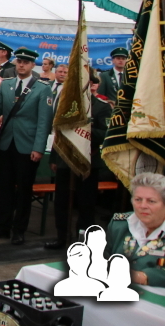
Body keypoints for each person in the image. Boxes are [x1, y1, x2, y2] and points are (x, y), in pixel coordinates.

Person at [0, 47, 53, 245]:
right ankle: (2, 225)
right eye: (19, 61)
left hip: (27, 145)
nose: (21, 65)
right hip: (6, 143)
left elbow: (44, 122)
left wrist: (38, 148)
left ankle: (19, 229)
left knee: (23, 190)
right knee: (4, 187)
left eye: (26, 62)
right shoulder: (7, 85)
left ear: (32, 65)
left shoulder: (43, 88)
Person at [45, 70, 113, 250]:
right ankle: (62, 237)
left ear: (91, 84)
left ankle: (84, 238)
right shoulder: (66, 106)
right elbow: (58, 133)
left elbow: (104, 134)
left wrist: (84, 128)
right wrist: (54, 157)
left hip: (87, 162)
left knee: (86, 203)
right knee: (61, 201)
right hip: (65, 159)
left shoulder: (102, 107)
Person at [105, 171, 165, 287]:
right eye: (138, 199)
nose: (143, 206)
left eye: (151, 201)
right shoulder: (119, 224)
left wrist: (143, 277)